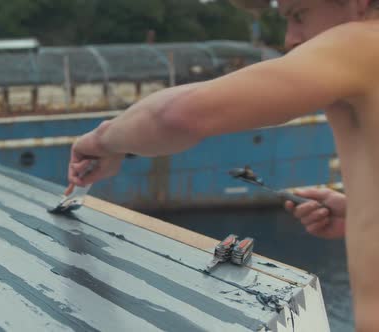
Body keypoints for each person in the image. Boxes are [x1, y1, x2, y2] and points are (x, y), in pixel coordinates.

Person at [67, 0, 379, 329]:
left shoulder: (360, 43)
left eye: (298, 15)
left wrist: (103, 140)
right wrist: (360, 210)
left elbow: (178, 115)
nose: (291, 38)